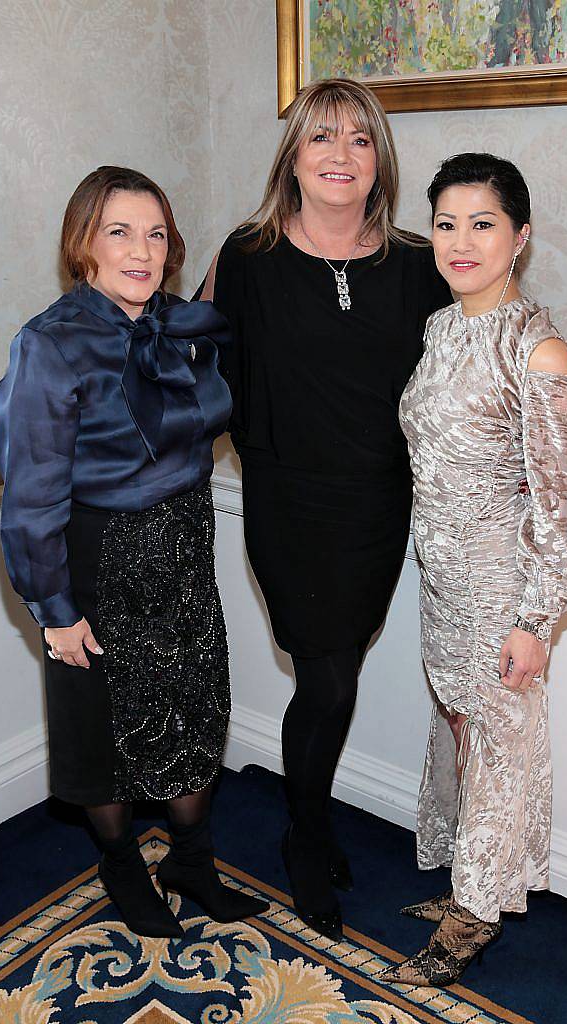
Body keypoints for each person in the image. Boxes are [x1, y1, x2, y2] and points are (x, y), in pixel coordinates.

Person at [199, 78, 451, 939]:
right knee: (328, 676)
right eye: (321, 138)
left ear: (378, 159)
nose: (340, 155)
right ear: (294, 158)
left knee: (332, 675)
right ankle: (307, 837)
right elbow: (197, 372)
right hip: (288, 501)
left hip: (379, 507)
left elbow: (456, 387)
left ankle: (307, 821)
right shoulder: (248, 256)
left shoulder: (420, 265)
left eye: (359, 139)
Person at [0, 166, 268, 939]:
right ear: (84, 244)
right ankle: (120, 868)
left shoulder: (183, 324)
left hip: (183, 547)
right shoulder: (50, 346)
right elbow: (31, 493)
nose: (142, 250)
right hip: (96, 561)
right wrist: (54, 610)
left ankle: (191, 860)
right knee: (105, 735)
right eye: (119, 231)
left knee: (193, 713)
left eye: (155, 233)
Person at [382, 152, 567, 986]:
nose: (460, 241)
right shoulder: (441, 327)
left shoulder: (541, 354)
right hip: (443, 579)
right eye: (445, 223)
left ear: (521, 236)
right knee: (465, 732)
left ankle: (475, 915)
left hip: (504, 588)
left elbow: (555, 503)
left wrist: (535, 623)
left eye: (483, 223)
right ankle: (475, 879)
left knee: (501, 748)